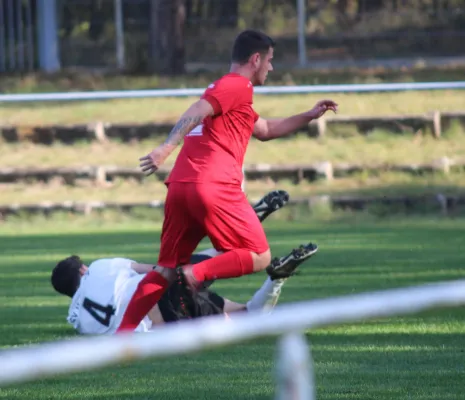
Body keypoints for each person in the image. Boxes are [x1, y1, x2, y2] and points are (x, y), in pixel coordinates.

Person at [119, 29, 337, 332]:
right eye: (270, 61)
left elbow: (265, 129)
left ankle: (121, 337)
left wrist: (309, 115)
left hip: (181, 186)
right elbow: (197, 110)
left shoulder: (231, 96)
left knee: (165, 270)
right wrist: (165, 148)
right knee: (259, 255)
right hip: (213, 185)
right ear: (256, 59)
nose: (271, 68)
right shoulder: (237, 86)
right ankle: (196, 275)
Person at [51, 242, 318, 335]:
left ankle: (277, 278)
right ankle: (230, 246)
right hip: (158, 288)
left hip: (161, 314)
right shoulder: (99, 267)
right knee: (183, 268)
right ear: (82, 270)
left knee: (249, 316)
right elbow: (153, 268)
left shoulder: (78, 321)